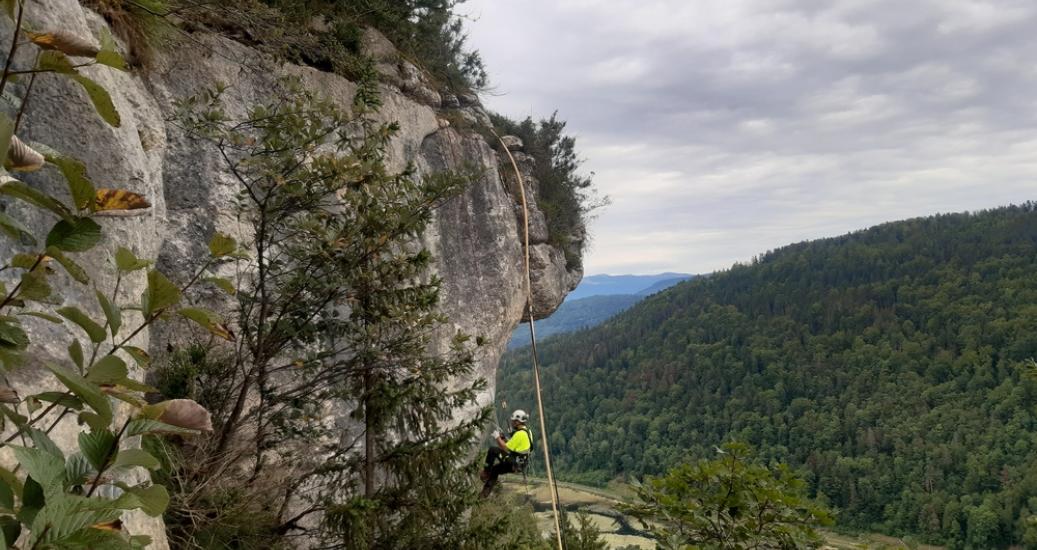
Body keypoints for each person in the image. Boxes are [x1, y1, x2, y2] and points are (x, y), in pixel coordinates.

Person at [479, 409, 532, 497]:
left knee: (493, 450)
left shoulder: (520, 434)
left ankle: (486, 472)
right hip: (520, 464)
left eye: (513, 421)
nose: (512, 423)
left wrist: (497, 437)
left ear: (517, 422)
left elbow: (504, 447)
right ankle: (484, 494)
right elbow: (516, 446)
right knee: (495, 469)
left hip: (514, 463)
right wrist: (504, 439)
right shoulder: (527, 432)